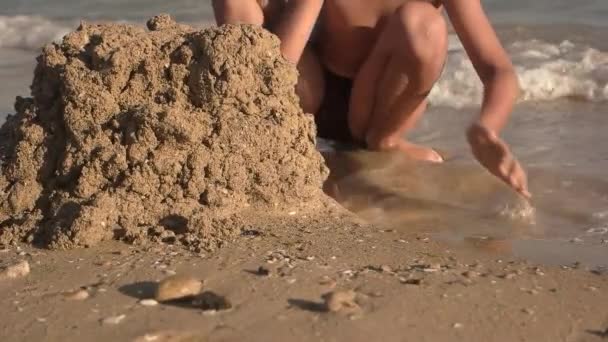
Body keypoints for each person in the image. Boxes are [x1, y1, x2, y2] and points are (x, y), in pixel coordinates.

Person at [211, 0, 531, 199]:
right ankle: (277, 140)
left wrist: (485, 129)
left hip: (379, 112)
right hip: (304, 103)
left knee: (422, 21)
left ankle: (385, 142)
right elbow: (277, 71)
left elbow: (497, 69)